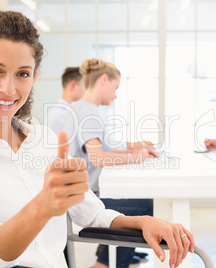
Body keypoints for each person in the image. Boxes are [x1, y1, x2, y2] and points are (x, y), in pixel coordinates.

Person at [0, 10, 194, 268]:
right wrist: (44, 205)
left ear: (35, 76)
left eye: (22, 74)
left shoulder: (45, 141)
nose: (8, 88)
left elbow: (93, 215)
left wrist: (142, 221)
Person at [63, 58, 160, 268]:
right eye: (115, 88)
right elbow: (99, 157)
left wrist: (137, 147)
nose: (115, 94)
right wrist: (139, 155)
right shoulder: (88, 111)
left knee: (138, 202)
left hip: (77, 192)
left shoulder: (81, 107)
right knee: (142, 205)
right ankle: (104, 264)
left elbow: (106, 147)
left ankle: (107, 258)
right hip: (81, 199)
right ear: (104, 80)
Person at [47, 67, 85, 134]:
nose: (86, 91)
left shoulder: (70, 112)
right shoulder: (59, 116)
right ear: (73, 86)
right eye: (85, 86)